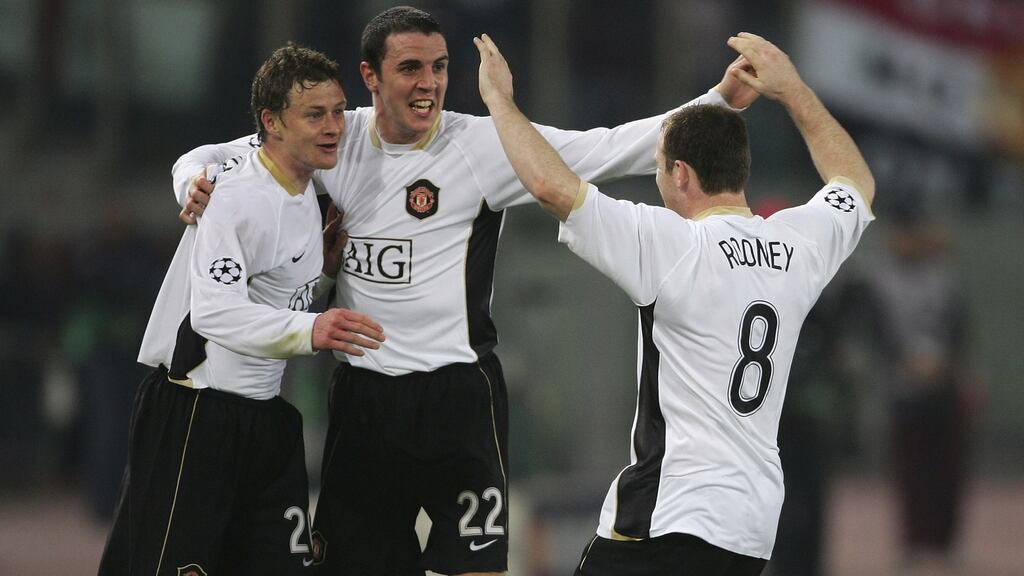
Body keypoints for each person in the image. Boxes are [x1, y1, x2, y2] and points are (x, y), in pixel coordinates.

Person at [172, 7, 755, 575]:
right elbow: (219, 155)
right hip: (364, 403)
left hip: (459, 401)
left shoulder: (481, 145)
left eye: (441, 67)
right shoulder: (335, 137)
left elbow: (607, 146)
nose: (429, 84)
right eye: (410, 68)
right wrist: (191, 184)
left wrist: (717, 99)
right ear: (370, 76)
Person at [475, 30, 875, 576]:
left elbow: (549, 186)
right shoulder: (797, 244)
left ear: (680, 173)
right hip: (750, 525)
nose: (658, 177)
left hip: (670, 514)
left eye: (660, 165)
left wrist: (498, 99)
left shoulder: (671, 245)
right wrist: (795, 91)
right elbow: (855, 182)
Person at [98, 44, 385, 576]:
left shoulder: (307, 186)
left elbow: (280, 301)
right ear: (270, 123)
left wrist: (322, 276)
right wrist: (315, 328)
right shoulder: (233, 196)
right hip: (196, 415)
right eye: (315, 115)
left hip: (267, 420)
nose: (334, 127)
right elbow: (215, 315)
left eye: (339, 111)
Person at [867, 203, 984, 576]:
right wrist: (906, 362)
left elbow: (959, 330)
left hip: (944, 386)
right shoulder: (881, 282)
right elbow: (878, 335)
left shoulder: (944, 279)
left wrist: (944, 364)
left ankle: (945, 543)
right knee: (911, 471)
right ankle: (914, 543)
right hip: (903, 388)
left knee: (948, 471)